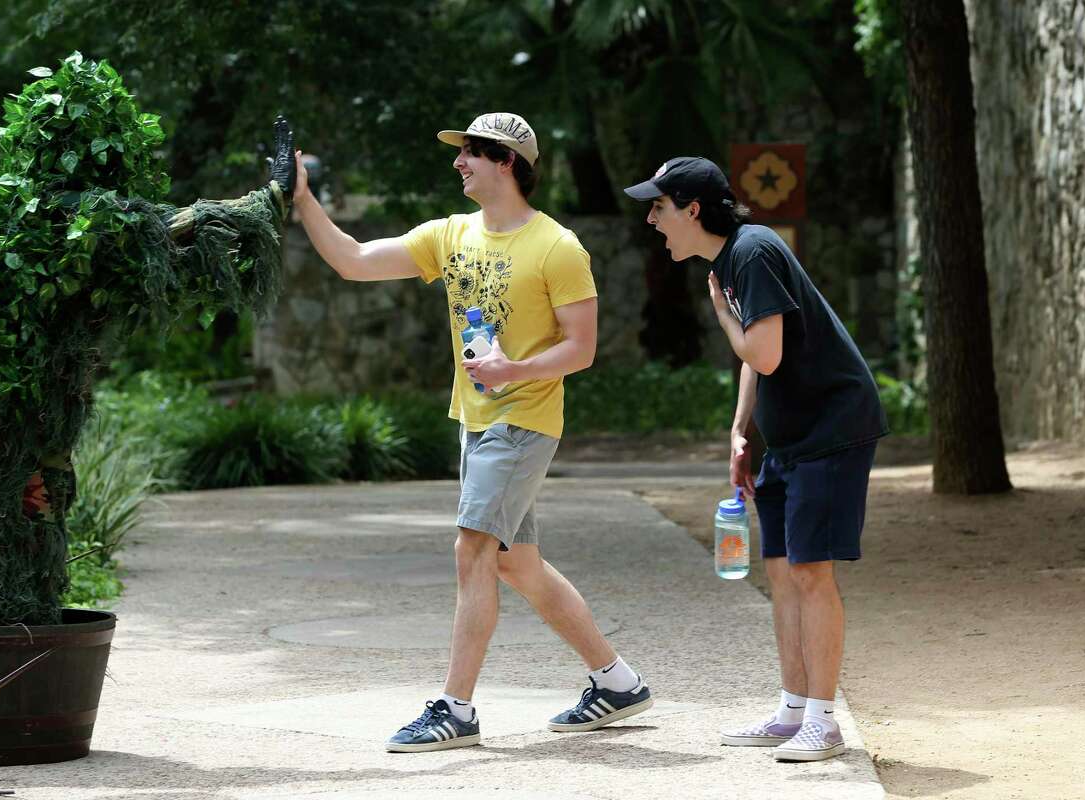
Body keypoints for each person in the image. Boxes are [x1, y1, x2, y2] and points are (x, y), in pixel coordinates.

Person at [291, 112, 652, 753]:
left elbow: (583, 348)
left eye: (472, 154)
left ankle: (455, 709)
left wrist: (513, 369)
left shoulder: (558, 247)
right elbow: (353, 261)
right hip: (477, 422)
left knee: (473, 550)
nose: (458, 163)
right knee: (518, 564)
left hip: (522, 420)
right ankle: (617, 682)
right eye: (459, 154)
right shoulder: (449, 234)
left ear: (507, 162)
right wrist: (303, 200)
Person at [625, 157, 887, 762]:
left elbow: (762, 352)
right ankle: (793, 712)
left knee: (809, 571)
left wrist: (720, 315)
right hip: (789, 437)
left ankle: (824, 721)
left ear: (692, 209)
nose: (651, 219)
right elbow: (759, 358)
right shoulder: (733, 257)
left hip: (832, 428)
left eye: (658, 207)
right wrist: (741, 430)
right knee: (779, 570)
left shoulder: (752, 252)